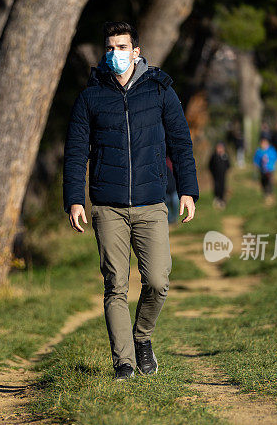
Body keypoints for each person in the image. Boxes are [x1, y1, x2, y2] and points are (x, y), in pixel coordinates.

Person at [63, 21, 199, 381]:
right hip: (107, 206)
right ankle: (123, 362)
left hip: (152, 202)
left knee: (157, 280)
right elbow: (76, 153)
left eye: (121, 48)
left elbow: (181, 143)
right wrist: (75, 199)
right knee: (115, 285)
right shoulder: (90, 98)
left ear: (136, 52)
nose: (114, 54)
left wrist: (188, 189)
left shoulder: (159, 91)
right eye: (109, 48)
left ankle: (142, 338)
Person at [253, 136, 277, 203]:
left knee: (269, 181)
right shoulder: (258, 151)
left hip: (270, 169)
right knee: (263, 182)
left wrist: (269, 161)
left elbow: (275, 157)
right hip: (262, 170)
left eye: (265, 143)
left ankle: (270, 194)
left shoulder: (271, 150)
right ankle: (266, 194)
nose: (263, 144)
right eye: (262, 143)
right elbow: (256, 160)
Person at [208, 141, 231, 208]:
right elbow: (210, 165)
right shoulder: (214, 156)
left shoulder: (225, 155)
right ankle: (217, 198)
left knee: (223, 187)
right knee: (216, 186)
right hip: (215, 175)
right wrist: (212, 172)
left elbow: (228, 164)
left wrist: (226, 170)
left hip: (223, 175)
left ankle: (222, 200)